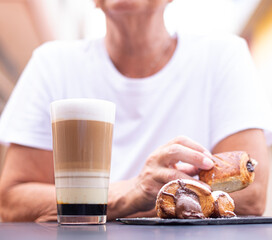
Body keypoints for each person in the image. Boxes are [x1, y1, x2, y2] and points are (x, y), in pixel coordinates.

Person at [0, 0, 272, 222]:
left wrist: (132, 199)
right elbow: (11, 201)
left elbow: (252, 192)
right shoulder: (52, 64)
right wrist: (131, 193)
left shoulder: (223, 56)